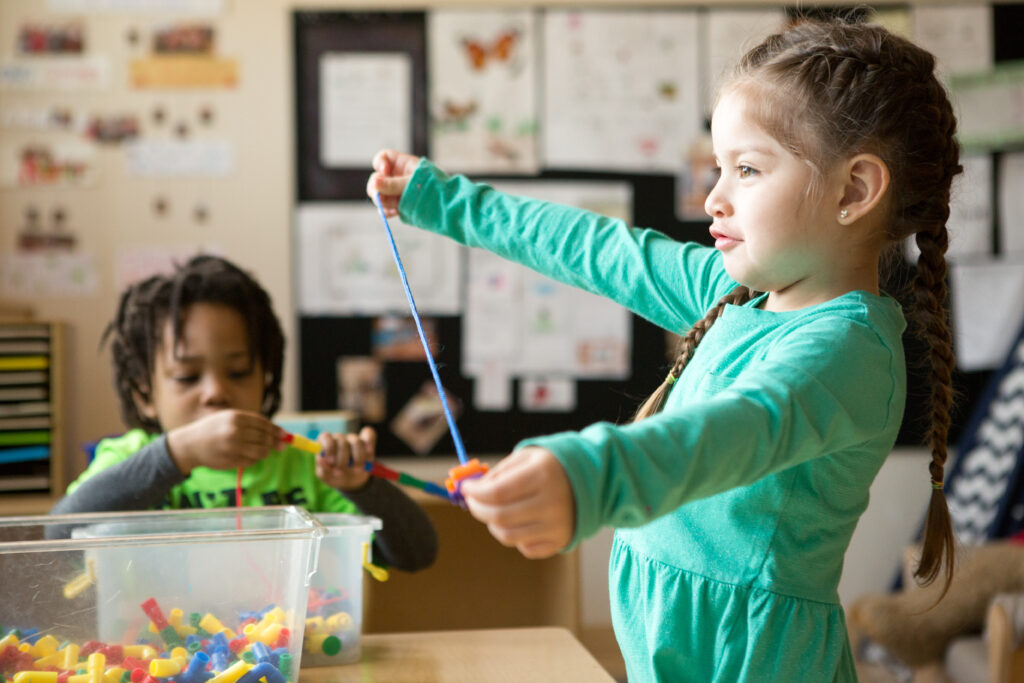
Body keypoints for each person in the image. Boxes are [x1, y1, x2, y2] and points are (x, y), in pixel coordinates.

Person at [368, 16, 961, 681]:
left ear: (853, 190)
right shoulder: (733, 293)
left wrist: (586, 475)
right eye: (718, 168)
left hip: (755, 660)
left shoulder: (847, 351)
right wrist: (440, 199)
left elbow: (732, 430)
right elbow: (593, 249)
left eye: (747, 169)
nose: (714, 198)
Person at [52, 255, 437, 572]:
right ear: (144, 393)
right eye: (187, 377)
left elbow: (417, 556)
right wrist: (176, 454)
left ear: (265, 377)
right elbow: (56, 540)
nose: (217, 391)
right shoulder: (129, 460)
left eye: (238, 372)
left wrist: (362, 488)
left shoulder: (306, 465)